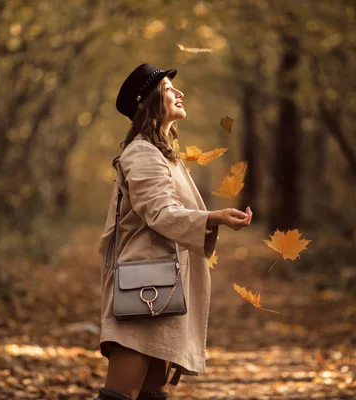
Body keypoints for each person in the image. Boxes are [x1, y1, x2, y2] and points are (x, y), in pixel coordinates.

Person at [96, 63, 253, 400]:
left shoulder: (161, 153)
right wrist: (213, 218)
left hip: (159, 288)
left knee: (152, 394)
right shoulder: (142, 153)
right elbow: (161, 212)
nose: (179, 93)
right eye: (169, 88)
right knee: (120, 395)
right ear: (148, 101)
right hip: (144, 290)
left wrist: (211, 219)